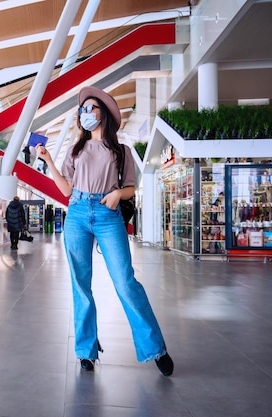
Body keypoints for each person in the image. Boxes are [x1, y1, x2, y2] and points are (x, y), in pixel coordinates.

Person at [35, 86, 173, 376]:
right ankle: (86, 351)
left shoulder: (121, 151)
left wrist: (118, 194)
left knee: (125, 281)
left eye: (92, 107)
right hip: (77, 213)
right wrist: (48, 161)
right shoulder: (75, 150)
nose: (86, 112)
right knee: (80, 284)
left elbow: (132, 187)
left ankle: (155, 347)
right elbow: (66, 190)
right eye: (82, 109)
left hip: (108, 214)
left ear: (104, 114)